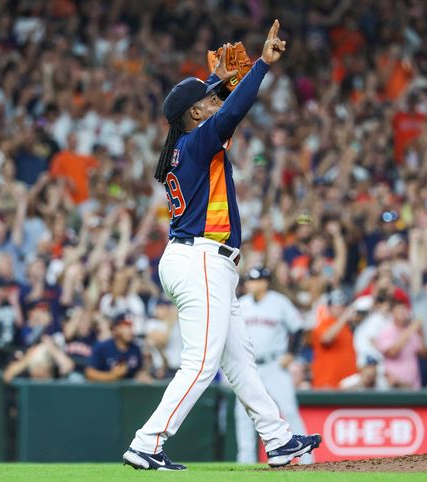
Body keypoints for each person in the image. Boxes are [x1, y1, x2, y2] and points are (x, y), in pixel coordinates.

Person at [124, 21, 320, 472]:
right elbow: (233, 113)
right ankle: (146, 443)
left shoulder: (188, 143)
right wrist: (262, 68)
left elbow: (219, 110)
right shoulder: (197, 142)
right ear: (194, 114)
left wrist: (224, 81)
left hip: (199, 258)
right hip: (201, 258)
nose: (216, 102)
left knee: (239, 361)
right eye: (208, 100)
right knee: (201, 364)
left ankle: (278, 440)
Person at [234, 266, 313, 465]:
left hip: (274, 364)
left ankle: (307, 459)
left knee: (288, 409)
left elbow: (298, 328)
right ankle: (245, 460)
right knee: (243, 414)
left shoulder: (279, 302)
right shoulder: (241, 304)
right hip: (248, 367)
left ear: (265, 282)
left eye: (256, 280)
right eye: (249, 280)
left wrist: (291, 354)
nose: (252, 284)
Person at [311, 289, 359, 389]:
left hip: (348, 383)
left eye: (344, 305)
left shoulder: (346, 327)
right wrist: (345, 317)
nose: (342, 308)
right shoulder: (323, 324)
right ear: (329, 307)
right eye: (338, 305)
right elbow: (326, 338)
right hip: (327, 383)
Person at [375, 298, 425, 389]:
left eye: (404, 309)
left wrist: (421, 333)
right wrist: (411, 330)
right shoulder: (386, 332)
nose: (402, 312)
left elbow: (423, 354)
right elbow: (392, 352)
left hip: (413, 386)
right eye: (399, 309)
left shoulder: (412, 331)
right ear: (392, 313)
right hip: (394, 386)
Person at [86, 312, 144, 382]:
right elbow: (89, 373)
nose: (129, 330)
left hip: (128, 392)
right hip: (104, 391)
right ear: (115, 329)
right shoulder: (102, 347)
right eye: (125, 327)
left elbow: (139, 371)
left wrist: (142, 376)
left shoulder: (136, 349)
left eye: (130, 327)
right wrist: (112, 376)